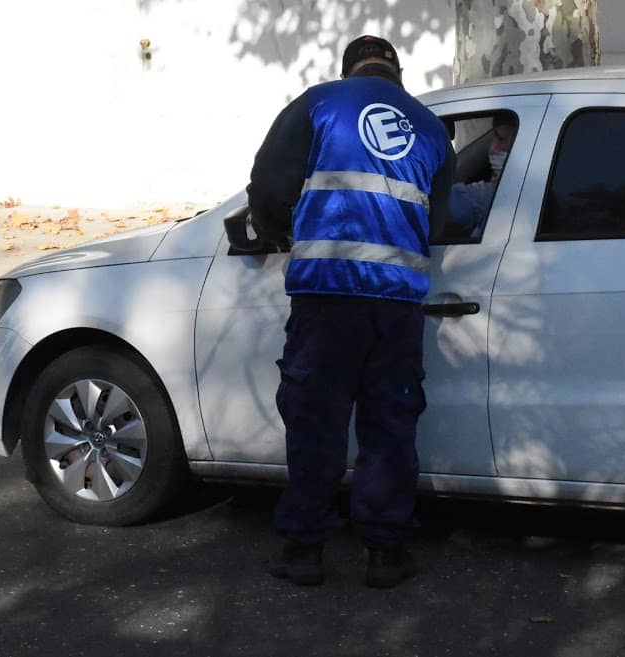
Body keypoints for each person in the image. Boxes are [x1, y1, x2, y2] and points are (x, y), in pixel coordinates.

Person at [247, 35, 455, 588]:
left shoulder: (319, 103)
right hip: (398, 304)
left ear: (347, 71)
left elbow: (268, 186)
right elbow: (437, 224)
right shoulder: (431, 127)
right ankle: (385, 554)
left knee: (316, 422)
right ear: (398, 74)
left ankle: (303, 551)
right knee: (390, 427)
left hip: (327, 296)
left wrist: (279, 233)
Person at [448, 114, 515, 238]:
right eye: (494, 138)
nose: (493, 148)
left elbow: (442, 201)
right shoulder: (495, 194)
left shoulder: (501, 196)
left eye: (501, 139)